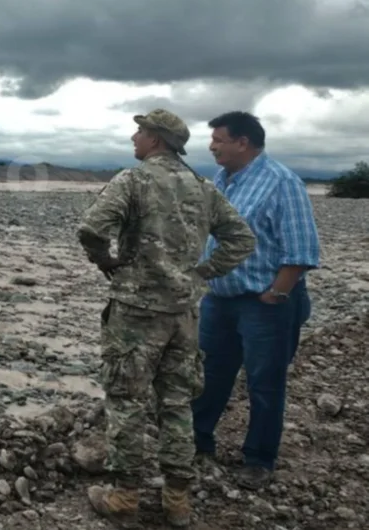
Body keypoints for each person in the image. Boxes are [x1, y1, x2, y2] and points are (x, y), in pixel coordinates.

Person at [77, 109, 256, 528]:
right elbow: (241, 239)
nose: (133, 137)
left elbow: (91, 227)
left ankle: (125, 496)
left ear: (156, 139)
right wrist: (201, 273)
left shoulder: (133, 180)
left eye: (139, 131)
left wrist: (108, 261)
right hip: (183, 313)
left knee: (126, 402)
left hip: (137, 313)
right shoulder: (202, 187)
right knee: (176, 404)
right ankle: (177, 500)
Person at [191, 111, 321, 491]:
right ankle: (198, 442)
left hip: (265, 303)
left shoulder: (281, 183)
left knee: (265, 383)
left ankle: (259, 459)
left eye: (218, 138)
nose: (212, 145)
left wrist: (276, 293)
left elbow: (301, 250)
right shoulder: (222, 180)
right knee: (209, 373)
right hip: (221, 298)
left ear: (243, 142)